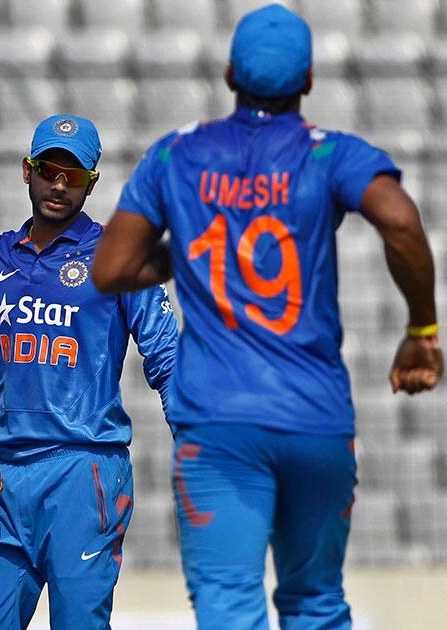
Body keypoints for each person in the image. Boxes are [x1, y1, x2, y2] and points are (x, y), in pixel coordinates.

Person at [91, 5, 443, 628]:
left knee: (230, 605)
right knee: (316, 603)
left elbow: (113, 269)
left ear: (230, 74)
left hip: (220, 427)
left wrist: (190, 253)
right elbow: (400, 219)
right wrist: (421, 329)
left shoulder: (177, 155)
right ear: (308, 81)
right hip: (317, 420)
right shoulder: (330, 152)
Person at [0, 114, 178, 628]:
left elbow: (166, 356)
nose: (59, 185)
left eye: (74, 175)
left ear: (91, 182)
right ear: (27, 171)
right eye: (49, 170)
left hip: (85, 469)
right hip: (5, 476)